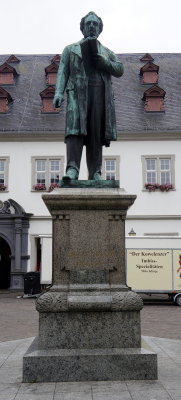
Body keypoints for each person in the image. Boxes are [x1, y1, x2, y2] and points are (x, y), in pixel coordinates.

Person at [53, 11, 124, 180]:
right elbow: (63, 71)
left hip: (99, 92)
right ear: (82, 28)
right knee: (74, 130)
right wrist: (58, 92)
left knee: (95, 132)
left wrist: (103, 62)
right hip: (77, 93)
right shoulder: (70, 49)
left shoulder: (106, 52)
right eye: (88, 23)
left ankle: (95, 172)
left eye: (95, 24)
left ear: (100, 29)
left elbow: (120, 69)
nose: (91, 26)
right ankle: (72, 169)